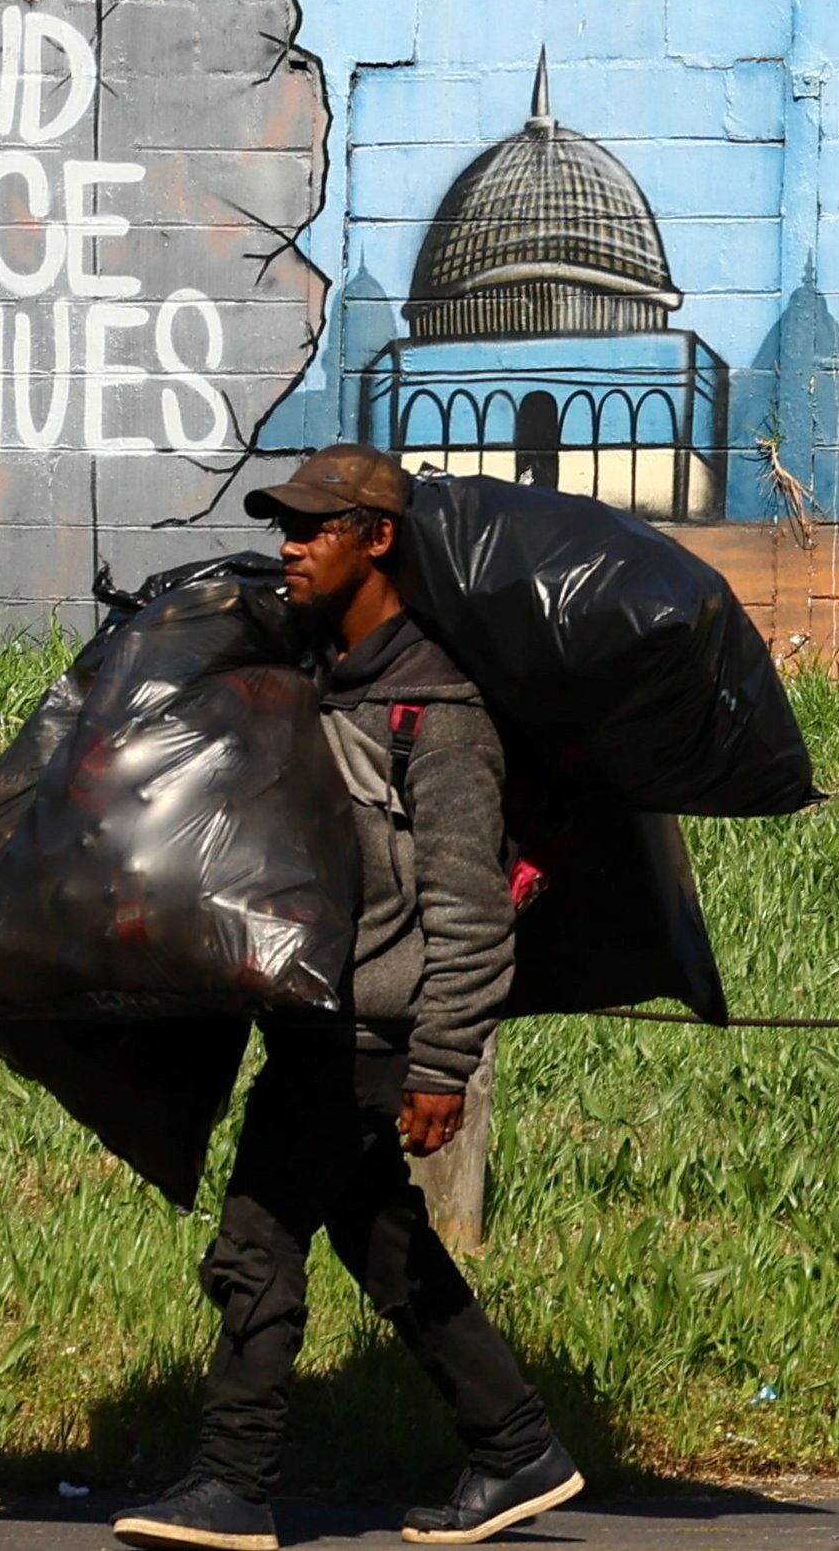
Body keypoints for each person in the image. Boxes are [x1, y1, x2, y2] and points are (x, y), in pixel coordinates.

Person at [113, 444, 581, 1551]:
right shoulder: (326, 677)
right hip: (310, 1016)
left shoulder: (438, 714)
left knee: (255, 1238)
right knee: (381, 1243)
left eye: (314, 528)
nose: (290, 545)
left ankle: (231, 1482)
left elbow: (470, 908)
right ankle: (516, 1447)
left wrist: (440, 1064)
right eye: (284, 526)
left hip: (366, 1032)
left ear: (376, 539)